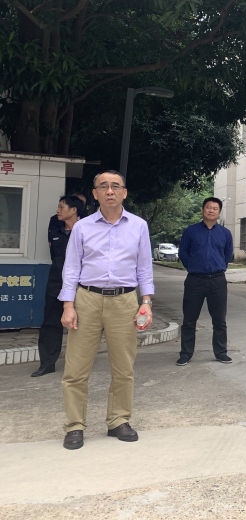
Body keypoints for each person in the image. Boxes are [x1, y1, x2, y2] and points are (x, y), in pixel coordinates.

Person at [59, 171, 154, 450]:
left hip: (124, 301)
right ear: (95, 194)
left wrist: (146, 302)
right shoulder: (82, 227)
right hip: (86, 300)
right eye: (103, 186)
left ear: (124, 192)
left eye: (115, 186)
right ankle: (75, 425)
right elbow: (72, 268)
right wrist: (68, 305)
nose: (110, 191)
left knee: (123, 367)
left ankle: (118, 420)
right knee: (76, 368)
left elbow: (144, 267)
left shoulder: (138, 226)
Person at [31, 195, 85, 378]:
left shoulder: (86, 233)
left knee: (82, 326)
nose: (58, 210)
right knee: (50, 324)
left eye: (62, 207)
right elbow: (54, 258)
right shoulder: (55, 233)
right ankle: (47, 363)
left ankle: (79, 364)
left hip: (81, 287)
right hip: (55, 285)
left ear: (73, 210)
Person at [176, 197, 234, 366]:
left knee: (219, 320)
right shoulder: (191, 231)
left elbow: (227, 255)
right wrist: (192, 267)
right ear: (202, 210)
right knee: (189, 319)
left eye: (215, 208)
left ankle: (221, 352)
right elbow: (183, 252)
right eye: (208, 207)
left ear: (219, 213)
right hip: (195, 280)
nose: (211, 210)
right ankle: (185, 354)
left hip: (217, 281)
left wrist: (219, 266)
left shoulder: (225, 233)